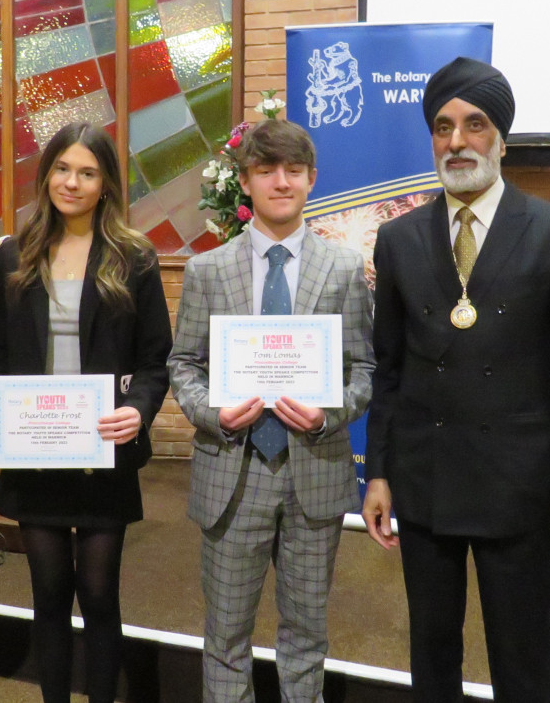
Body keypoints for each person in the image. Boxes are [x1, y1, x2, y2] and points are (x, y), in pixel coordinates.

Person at [362, 57, 550, 702]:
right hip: (425, 477)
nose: (457, 141)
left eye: (474, 124)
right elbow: (389, 370)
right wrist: (378, 472)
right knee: (431, 655)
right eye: (442, 127)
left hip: (518, 485)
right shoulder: (398, 239)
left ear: (502, 137)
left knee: (523, 661)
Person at [168, 118, 375, 702]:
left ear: (311, 179)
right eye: (266, 171)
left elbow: (364, 370)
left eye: (293, 170)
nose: (280, 182)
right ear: (247, 181)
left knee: (306, 633)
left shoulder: (343, 269)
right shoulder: (207, 270)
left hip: (314, 470)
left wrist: (328, 415)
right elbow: (183, 365)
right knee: (225, 634)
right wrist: (212, 412)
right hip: (232, 473)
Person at [0, 122, 172, 703]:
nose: (72, 183)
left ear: (106, 183)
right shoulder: (15, 253)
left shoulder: (134, 257)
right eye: (62, 169)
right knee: (49, 596)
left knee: (101, 596)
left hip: (103, 452)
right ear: (46, 174)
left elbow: (156, 361)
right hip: (34, 451)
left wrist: (138, 410)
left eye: (87, 172)